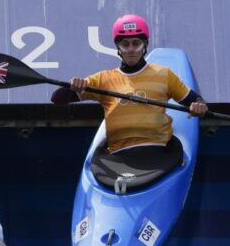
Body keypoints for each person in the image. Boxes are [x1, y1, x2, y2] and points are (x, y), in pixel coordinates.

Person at [51, 14, 208, 154]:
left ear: (145, 45)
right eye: (125, 44)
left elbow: (197, 101)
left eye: (136, 43)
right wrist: (71, 86)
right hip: (119, 153)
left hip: (159, 149)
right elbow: (57, 99)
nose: (131, 49)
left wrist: (199, 107)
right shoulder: (103, 79)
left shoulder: (164, 75)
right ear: (118, 48)